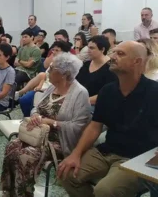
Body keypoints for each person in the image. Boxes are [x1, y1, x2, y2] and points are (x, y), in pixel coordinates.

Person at [59, 41, 158, 197]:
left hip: (136, 158)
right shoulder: (108, 91)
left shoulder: (154, 92)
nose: (112, 57)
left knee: (105, 191)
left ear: (137, 61)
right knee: (66, 173)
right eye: (113, 52)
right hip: (107, 151)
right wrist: (75, 154)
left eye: (120, 54)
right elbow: (95, 126)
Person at [0, 53, 91, 197]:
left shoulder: (80, 93)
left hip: (59, 140)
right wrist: (36, 115)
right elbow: (37, 107)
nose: (47, 70)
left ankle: (24, 193)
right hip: (37, 134)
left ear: (63, 74)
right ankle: (10, 191)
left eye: (52, 68)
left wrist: (52, 122)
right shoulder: (52, 87)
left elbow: (79, 126)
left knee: (26, 155)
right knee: (12, 146)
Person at [17, 41, 71, 117]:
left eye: (57, 50)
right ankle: (27, 117)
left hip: (52, 92)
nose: (54, 52)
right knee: (24, 100)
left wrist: (44, 89)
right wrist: (40, 85)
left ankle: (32, 119)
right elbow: (45, 76)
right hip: (43, 88)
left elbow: (62, 85)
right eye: (53, 50)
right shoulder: (53, 63)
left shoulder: (67, 67)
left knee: (28, 101)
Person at [76, 35, 116, 107]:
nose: (88, 50)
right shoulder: (86, 64)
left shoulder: (111, 68)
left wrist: (82, 101)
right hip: (81, 102)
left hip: (97, 105)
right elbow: (76, 83)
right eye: (88, 47)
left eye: (92, 48)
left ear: (102, 49)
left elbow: (107, 94)